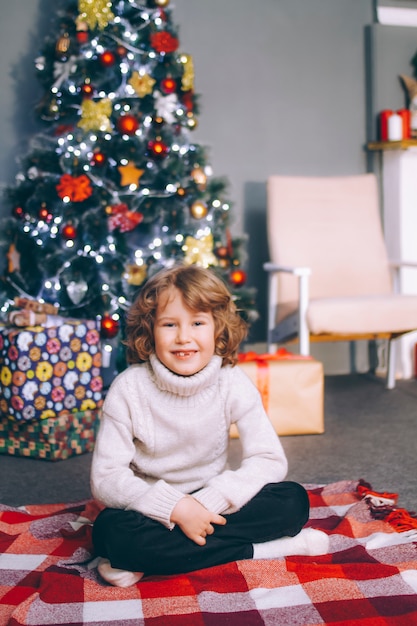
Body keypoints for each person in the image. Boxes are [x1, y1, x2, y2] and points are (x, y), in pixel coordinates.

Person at [91, 264, 328, 587]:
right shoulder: (128, 388)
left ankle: (156, 559)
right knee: (110, 531)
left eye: (198, 323)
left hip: (215, 503)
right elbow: (107, 477)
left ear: (218, 328)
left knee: (293, 501)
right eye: (169, 324)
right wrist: (176, 508)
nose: (183, 337)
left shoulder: (232, 383)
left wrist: (207, 503)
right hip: (154, 510)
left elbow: (269, 459)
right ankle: (262, 549)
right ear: (150, 330)